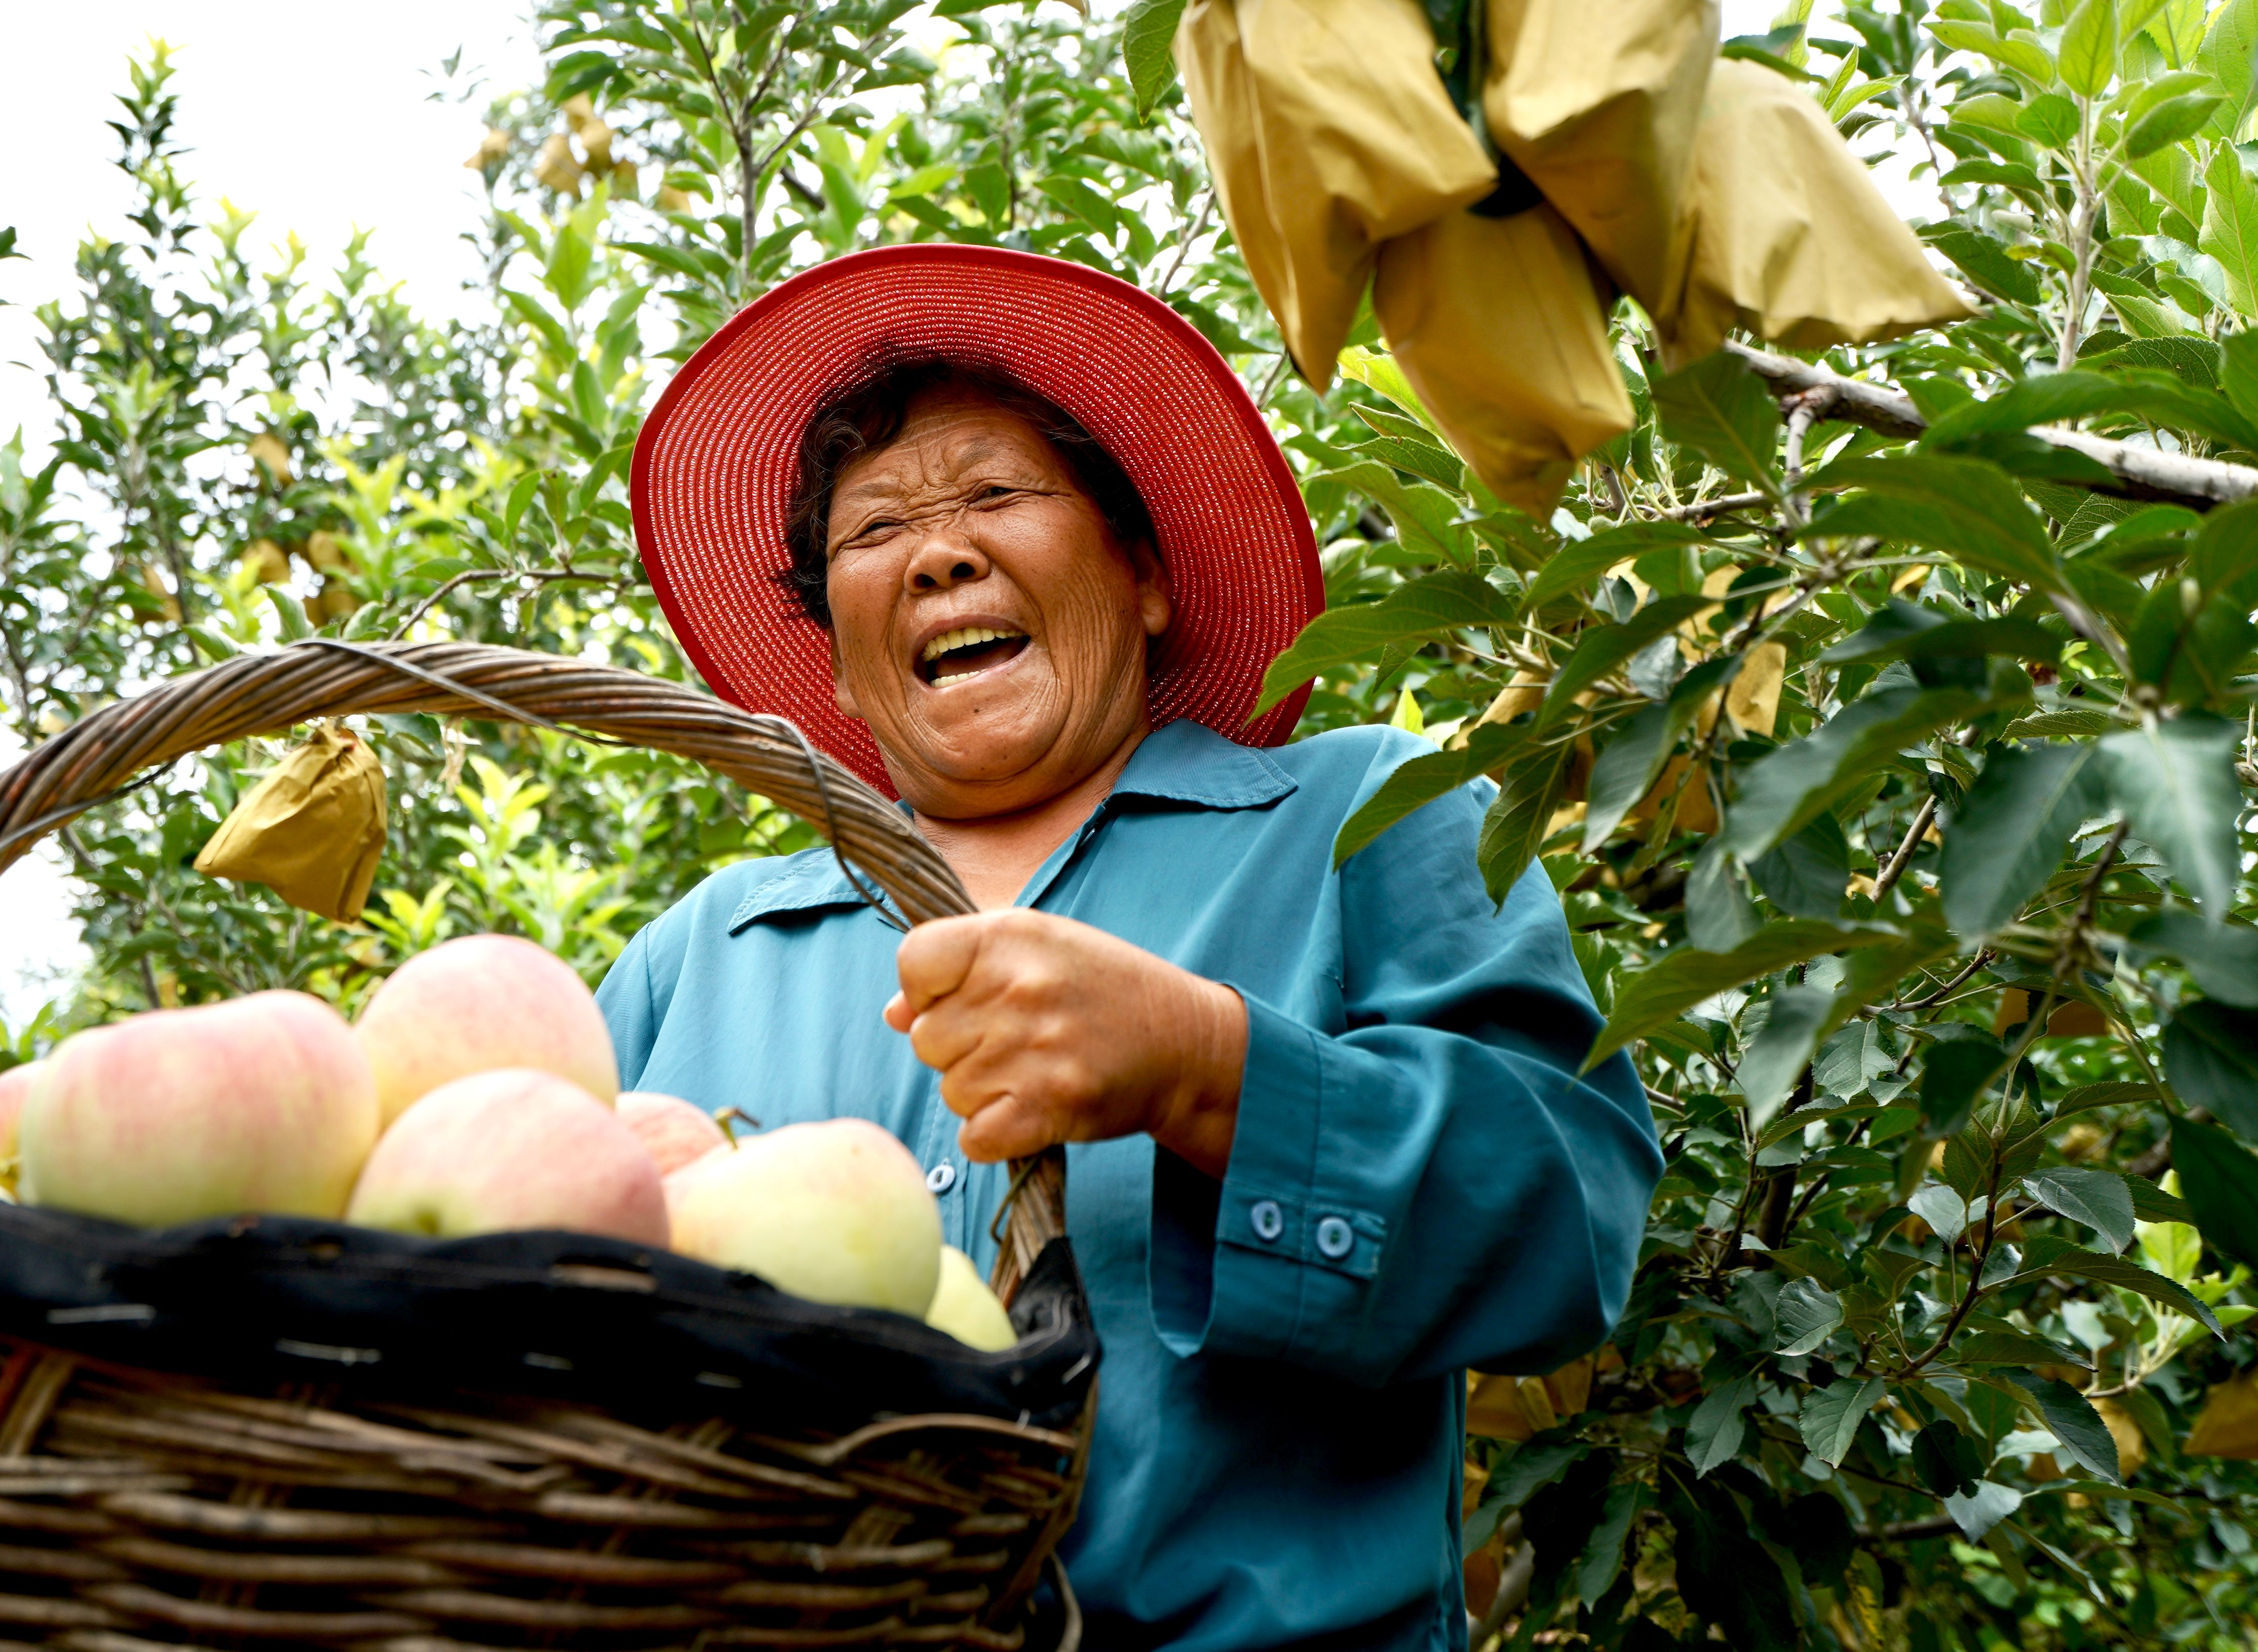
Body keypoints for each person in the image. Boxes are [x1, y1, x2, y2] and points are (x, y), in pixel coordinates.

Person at [608, 243, 1660, 1652]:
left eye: (996, 495)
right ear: (844, 665)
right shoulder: (699, 957)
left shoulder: (1364, 821)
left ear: (1148, 577)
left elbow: (1569, 1229)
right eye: (872, 534)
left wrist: (1210, 1074)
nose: (939, 553)